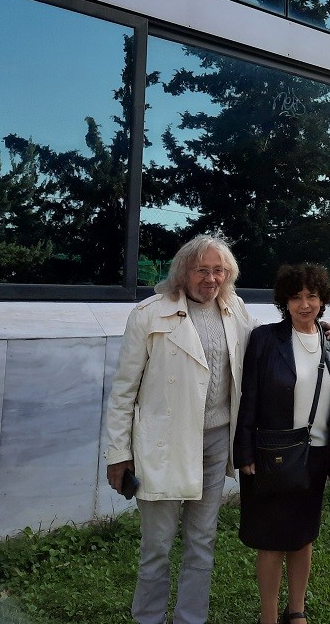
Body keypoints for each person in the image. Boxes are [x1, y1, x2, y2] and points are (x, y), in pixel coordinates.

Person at [104, 235, 258, 624]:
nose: (211, 279)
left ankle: (191, 618)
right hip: (163, 445)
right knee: (157, 544)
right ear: (183, 272)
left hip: (217, 441)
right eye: (202, 270)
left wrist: (315, 327)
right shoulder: (149, 314)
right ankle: (149, 618)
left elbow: (269, 344)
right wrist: (118, 454)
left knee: (202, 540)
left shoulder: (236, 310)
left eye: (219, 270)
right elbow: (123, 392)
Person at [234, 264, 330, 624]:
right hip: (272, 453)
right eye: (296, 297)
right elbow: (249, 396)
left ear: (322, 300)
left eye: (312, 296)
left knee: (302, 535)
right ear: (285, 301)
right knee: (270, 540)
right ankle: (268, 615)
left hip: (316, 455)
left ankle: (296, 610)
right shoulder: (266, 339)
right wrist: (245, 452)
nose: (304, 304)